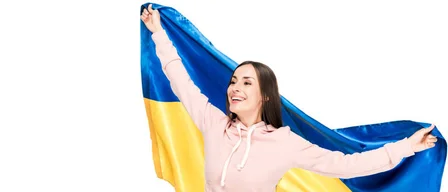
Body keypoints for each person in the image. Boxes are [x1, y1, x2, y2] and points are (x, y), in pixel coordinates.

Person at [140, 4, 438, 192]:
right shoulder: (214, 124)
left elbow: (349, 165)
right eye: (233, 82)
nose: (234, 88)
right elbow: (180, 81)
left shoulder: (284, 143)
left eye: (246, 83)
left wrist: (408, 147)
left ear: (265, 97)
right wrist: (158, 34)